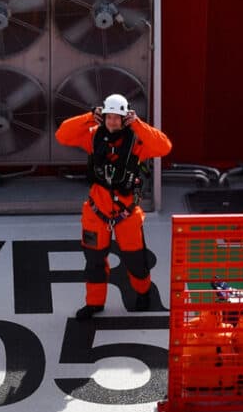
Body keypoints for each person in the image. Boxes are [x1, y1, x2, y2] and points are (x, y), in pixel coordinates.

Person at [55, 93, 171, 318]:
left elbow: (163, 146)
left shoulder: (138, 141)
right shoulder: (92, 136)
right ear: (104, 116)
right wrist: (89, 117)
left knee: (136, 260)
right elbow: (63, 135)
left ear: (125, 117)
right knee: (94, 261)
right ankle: (95, 303)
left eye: (118, 117)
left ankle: (143, 292)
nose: (113, 122)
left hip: (126, 213)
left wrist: (137, 123)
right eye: (109, 117)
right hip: (96, 211)